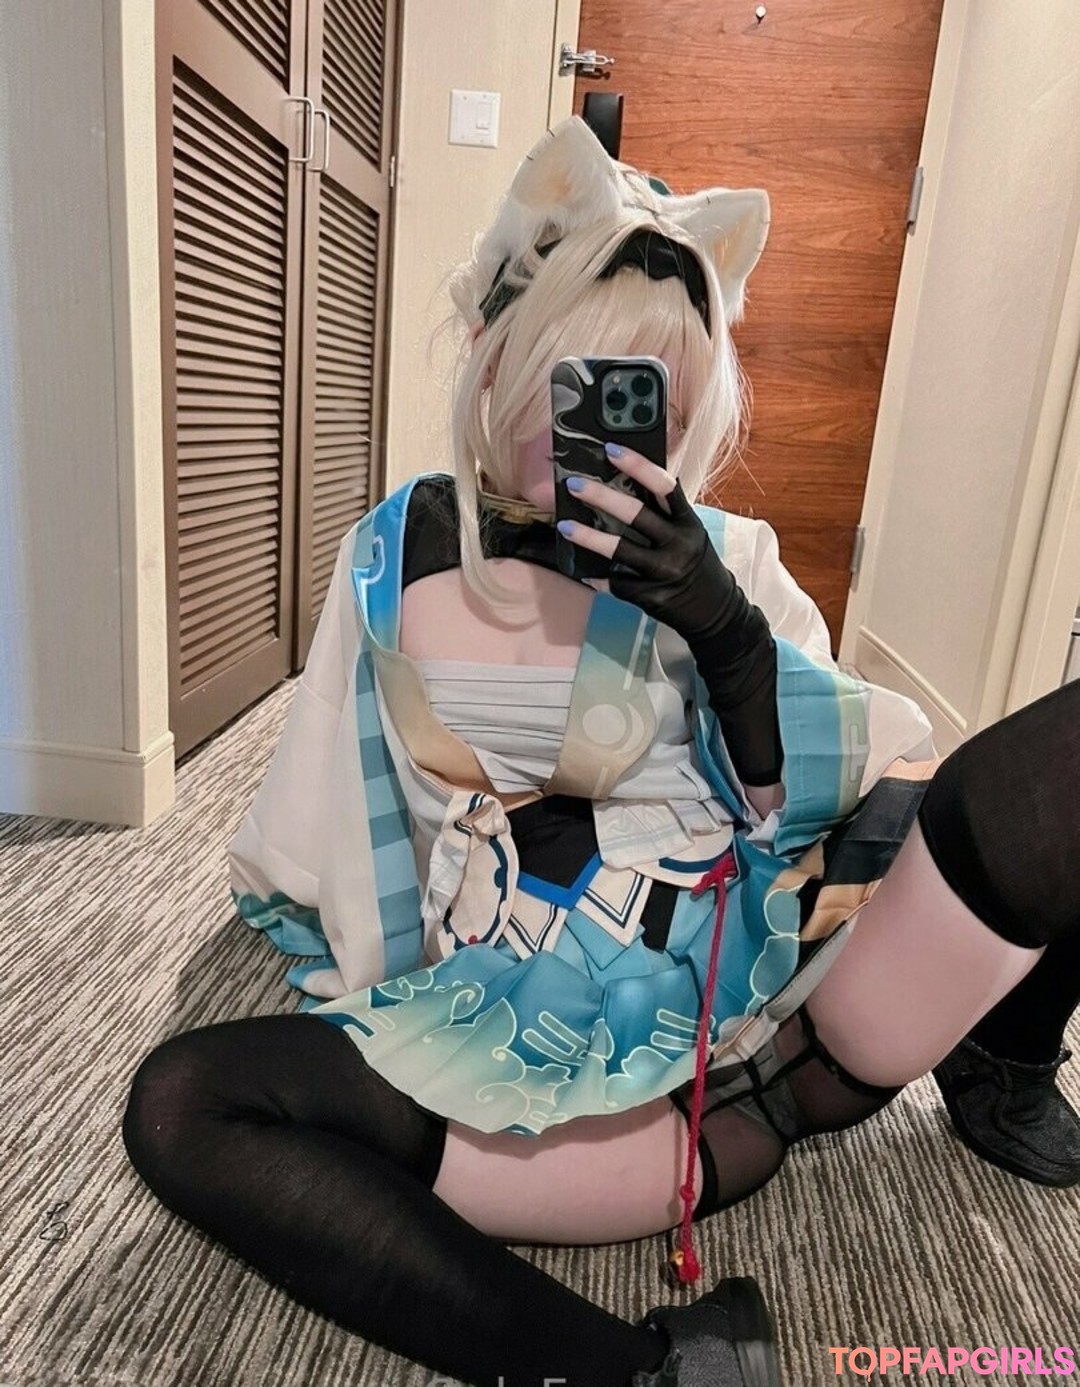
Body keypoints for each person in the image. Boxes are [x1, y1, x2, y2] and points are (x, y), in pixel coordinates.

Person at [121, 118, 1080, 1386]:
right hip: (521, 1029)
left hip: (776, 1028)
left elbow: (822, 803)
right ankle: (648, 1369)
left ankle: (1007, 1045)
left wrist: (726, 638)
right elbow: (335, 807)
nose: (618, 443)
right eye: (588, 388)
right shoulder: (404, 549)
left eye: (655, 410)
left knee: (1039, 775)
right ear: (501, 359)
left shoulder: (728, 562)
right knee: (185, 1102)